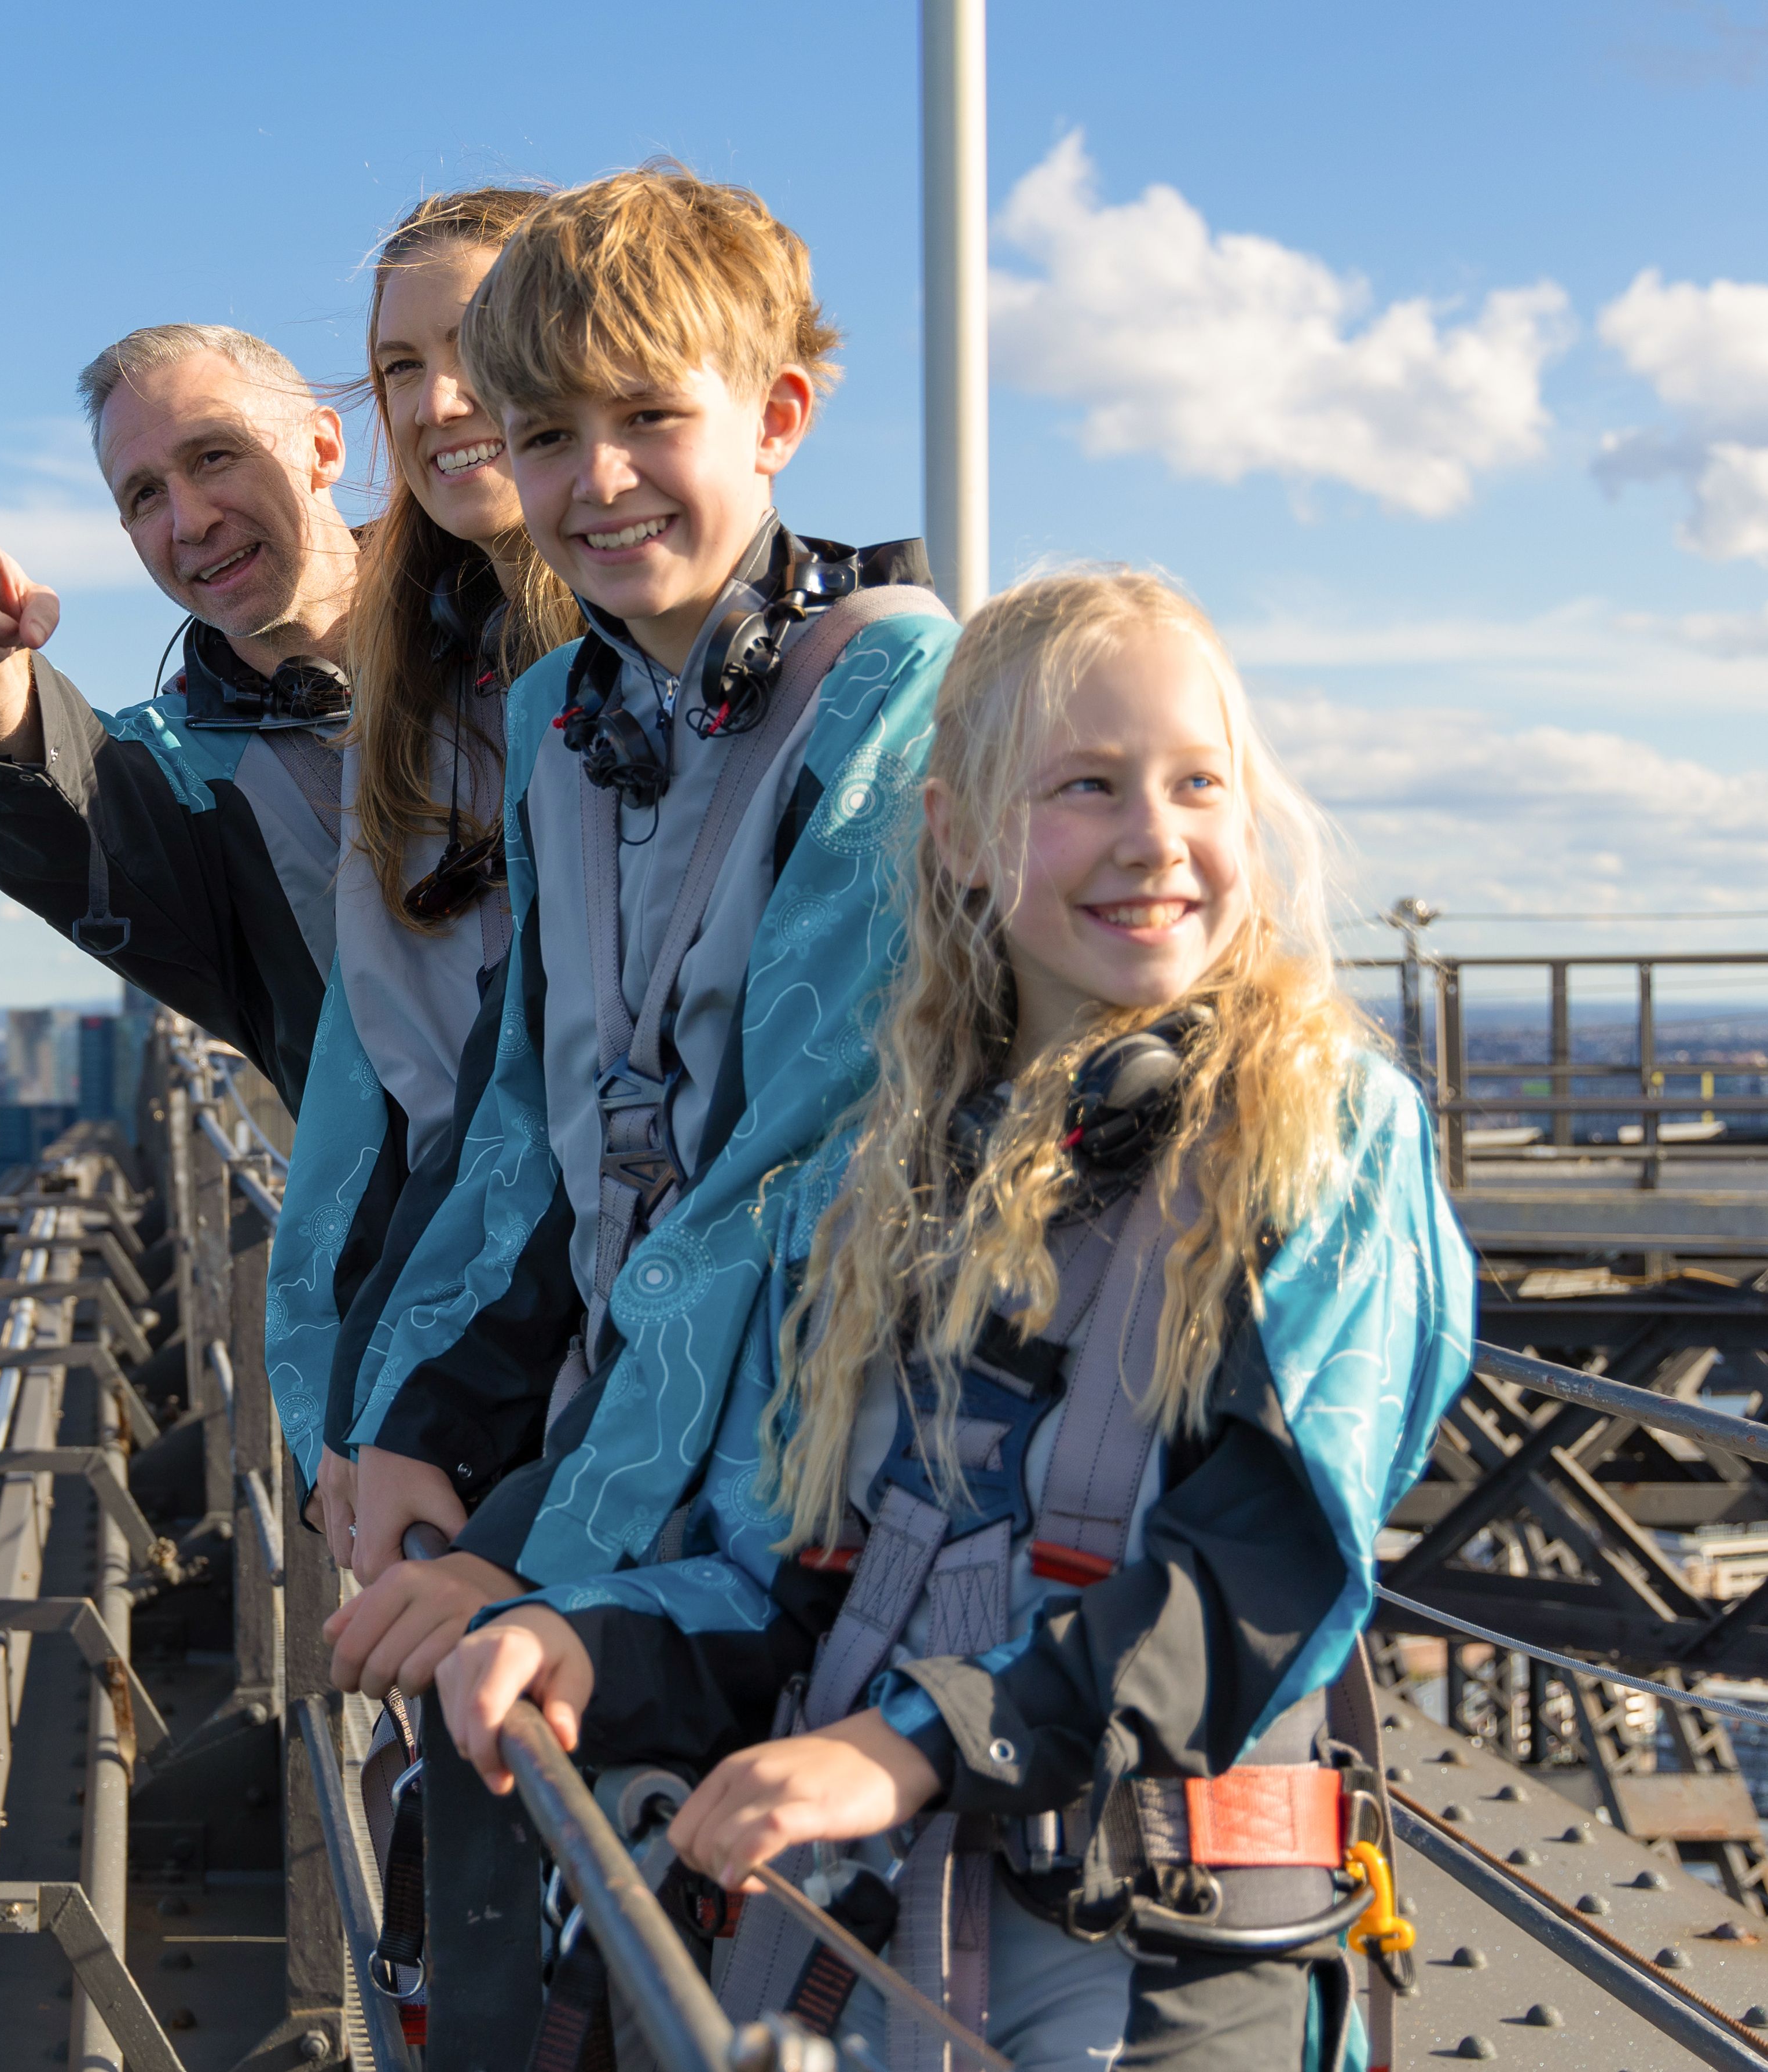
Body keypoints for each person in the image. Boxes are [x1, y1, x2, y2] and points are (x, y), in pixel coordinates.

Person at [437, 566, 1475, 2071]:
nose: (1151, 835)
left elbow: (1252, 1580)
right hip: (869, 1932)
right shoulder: (888, 1176)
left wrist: (905, 1745)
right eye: (1082, 785)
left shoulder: (1320, 1136)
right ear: (961, 839)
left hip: (1151, 1949)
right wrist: (583, 1641)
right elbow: (800, 1575)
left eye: (1199, 781)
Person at [322, 166, 950, 1686]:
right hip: (632, 1460)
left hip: (821, 1495)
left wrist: (529, 1543)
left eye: (645, 419)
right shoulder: (564, 717)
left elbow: (781, 1180)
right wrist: (422, 1425)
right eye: (546, 436)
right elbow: (527, 1122)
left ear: (776, 416)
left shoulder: (883, 691)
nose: (596, 481)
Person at [259, 186, 579, 1548]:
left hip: (575, 1381)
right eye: (401, 366)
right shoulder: (428, 672)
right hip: (452, 1372)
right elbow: (385, 1092)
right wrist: (350, 1393)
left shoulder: (654, 683)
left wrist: (396, 1402)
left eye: (478, 344)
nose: (440, 399)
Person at [0, 324, 362, 1109]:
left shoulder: (523, 625)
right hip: (414, 1227)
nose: (187, 522)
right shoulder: (176, 776)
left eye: (213, 455)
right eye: (144, 495)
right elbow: (62, 818)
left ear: (321, 449)